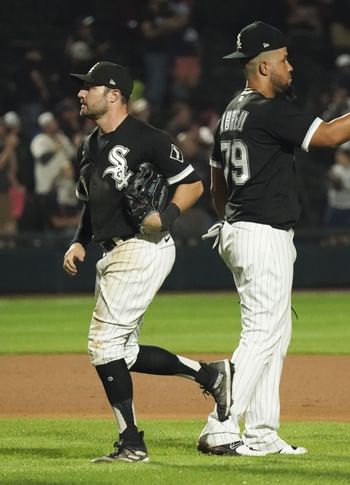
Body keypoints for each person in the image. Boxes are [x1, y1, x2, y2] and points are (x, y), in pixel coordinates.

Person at [198, 21, 350, 456]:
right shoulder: (269, 109)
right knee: (261, 333)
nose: (291, 66)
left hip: (244, 229)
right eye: (285, 59)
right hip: (260, 234)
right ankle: (220, 425)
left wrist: (230, 218)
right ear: (265, 66)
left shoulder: (232, 109)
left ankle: (262, 431)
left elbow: (216, 175)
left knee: (277, 332)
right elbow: (330, 135)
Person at [62, 61, 232, 463]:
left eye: (90, 87)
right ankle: (209, 374)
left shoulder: (149, 138)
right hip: (113, 251)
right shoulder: (91, 144)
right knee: (126, 351)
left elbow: (192, 184)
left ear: (115, 94)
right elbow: (90, 203)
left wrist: (166, 217)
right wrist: (79, 241)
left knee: (102, 345)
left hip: (143, 246)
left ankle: (132, 443)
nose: (81, 93)